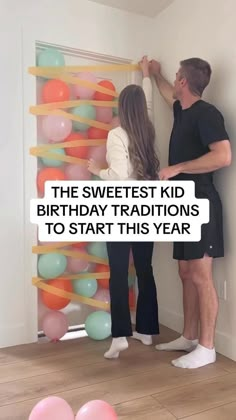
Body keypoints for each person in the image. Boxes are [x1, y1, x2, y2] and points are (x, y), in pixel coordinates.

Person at [149, 57, 231, 368]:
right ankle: (189, 336)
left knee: (201, 275)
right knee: (185, 273)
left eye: (176, 75)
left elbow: (223, 156)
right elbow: (168, 91)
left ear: (185, 81)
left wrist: (178, 168)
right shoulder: (180, 109)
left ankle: (207, 348)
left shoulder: (207, 113)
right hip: (180, 205)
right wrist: (155, 74)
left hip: (201, 204)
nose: (174, 79)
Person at [88, 56, 160, 359]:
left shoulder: (116, 134)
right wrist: (145, 76)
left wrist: (96, 170)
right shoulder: (148, 129)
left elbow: (117, 175)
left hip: (120, 208)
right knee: (144, 268)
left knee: (118, 271)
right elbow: (147, 106)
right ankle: (146, 330)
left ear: (120, 108)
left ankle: (119, 335)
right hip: (146, 207)